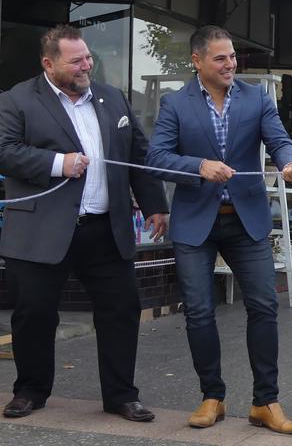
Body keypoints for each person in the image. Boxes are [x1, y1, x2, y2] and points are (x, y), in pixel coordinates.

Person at [146, 25, 292, 434]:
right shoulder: (175, 103)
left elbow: (280, 141)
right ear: (197, 61)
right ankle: (212, 397)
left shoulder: (256, 98)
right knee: (200, 313)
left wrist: (290, 162)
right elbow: (157, 157)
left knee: (264, 308)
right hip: (195, 223)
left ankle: (265, 403)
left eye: (233, 57)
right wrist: (197, 167)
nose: (231, 64)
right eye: (221, 58)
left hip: (247, 219)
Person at [0, 25, 169, 421]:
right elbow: (4, 151)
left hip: (105, 228)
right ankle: (30, 390)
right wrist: (59, 164)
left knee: (121, 310)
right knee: (34, 313)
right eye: (76, 60)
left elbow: (137, 155)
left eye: (88, 57)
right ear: (49, 63)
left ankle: (121, 396)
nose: (86, 65)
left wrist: (154, 204)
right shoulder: (16, 99)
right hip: (40, 229)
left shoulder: (112, 98)